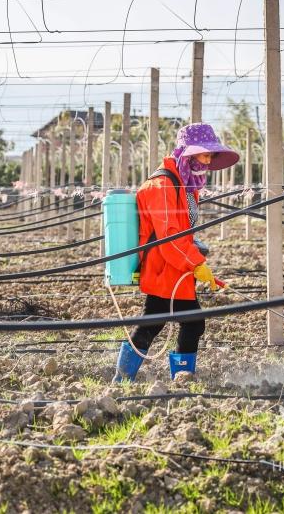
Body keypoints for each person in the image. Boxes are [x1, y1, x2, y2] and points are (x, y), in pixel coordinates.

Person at [113, 123, 239, 382]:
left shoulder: (184, 183)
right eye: (203, 153)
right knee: (186, 322)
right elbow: (169, 236)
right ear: (186, 153)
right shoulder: (162, 185)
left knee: (158, 322)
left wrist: (195, 257)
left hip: (174, 269)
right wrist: (195, 263)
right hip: (165, 267)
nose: (208, 160)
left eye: (211, 154)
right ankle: (177, 377)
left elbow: (183, 229)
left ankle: (127, 379)